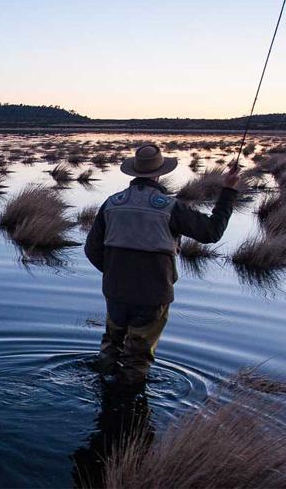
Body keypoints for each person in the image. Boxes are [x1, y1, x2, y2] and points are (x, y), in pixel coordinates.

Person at [84, 144, 239, 385]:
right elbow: (211, 232)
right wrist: (228, 191)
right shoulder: (169, 207)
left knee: (110, 347)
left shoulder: (112, 204)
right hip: (153, 295)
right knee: (137, 357)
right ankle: (127, 408)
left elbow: (92, 249)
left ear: (134, 172)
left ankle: (102, 393)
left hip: (115, 291)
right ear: (159, 174)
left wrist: (116, 272)